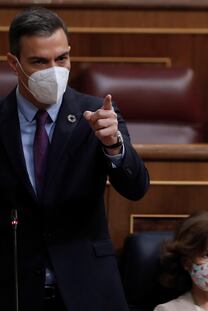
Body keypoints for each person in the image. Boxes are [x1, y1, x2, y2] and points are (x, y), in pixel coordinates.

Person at [0, 7, 149, 311]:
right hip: (14, 287)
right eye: (40, 61)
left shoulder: (98, 113)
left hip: (87, 286)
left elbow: (137, 188)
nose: (53, 70)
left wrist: (113, 146)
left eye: (62, 58)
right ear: (14, 64)